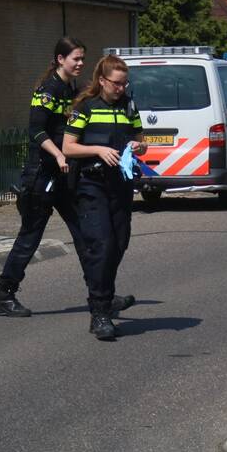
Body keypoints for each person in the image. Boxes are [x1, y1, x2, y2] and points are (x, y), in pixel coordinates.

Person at [0, 36, 89, 317]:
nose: (81, 63)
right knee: (30, 237)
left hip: (63, 176)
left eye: (83, 58)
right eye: (76, 58)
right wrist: (58, 155)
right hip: (42, 175)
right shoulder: (48, 90)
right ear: (61, 59)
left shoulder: (72, 88)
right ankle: (5, 295)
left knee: (86, 234)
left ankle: (101, 292)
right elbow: (35, 130)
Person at [63, 54, 147, 340]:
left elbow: (142, 142)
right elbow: (69, 147)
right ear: (102, 81)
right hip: (91, 184)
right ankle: (99, 312)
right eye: (117, 83)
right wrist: (98, 150)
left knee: (119, 244)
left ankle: (106, 299)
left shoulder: (129, 107)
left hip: (120, 185)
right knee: (102, 243)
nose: (122, 88)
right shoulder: (86, 107)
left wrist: (138, 146)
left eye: (125, 83)